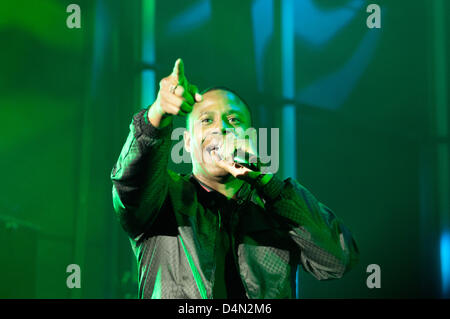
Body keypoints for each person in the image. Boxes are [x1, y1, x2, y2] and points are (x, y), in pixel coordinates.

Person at [110, 58, 359, 299]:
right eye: (207, 120)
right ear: (187, 142)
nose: (221, 128)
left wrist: (266, 184)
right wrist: (158, 113)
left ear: (250, 136)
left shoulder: (277, 207)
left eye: (233, 120)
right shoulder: (164, 199)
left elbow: (337, 260)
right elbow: (131, 183)